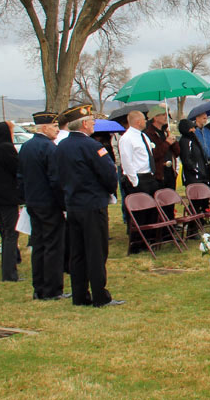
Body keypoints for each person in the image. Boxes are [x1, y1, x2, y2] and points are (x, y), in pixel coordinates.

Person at [55, 106, 122, 307]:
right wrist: (110, 190)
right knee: (96, 252)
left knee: (77, 252)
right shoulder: (92, 146)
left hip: (73, 204)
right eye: (92, 121)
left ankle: (80, 295)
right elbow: (108, 173)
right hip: (92, 204)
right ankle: (100, 296)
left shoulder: (61, 146)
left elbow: (58, 177)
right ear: (84, 124)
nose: (93, 124)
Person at [19, 111, 68, 300]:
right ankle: (52, 289)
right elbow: (56, 180)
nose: (57, 130)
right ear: (45, 127)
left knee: (38, 244)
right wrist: (63, 204)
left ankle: (38, 287)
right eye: (54, 126)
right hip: (49, 203)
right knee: (53, 246)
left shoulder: (26, 147)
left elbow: (20, 177)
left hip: (33, 202)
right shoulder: (49, 148)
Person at [0, 121, 23, 282]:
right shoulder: (6, 149)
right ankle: (9, 273)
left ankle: (9, 268)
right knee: (11, 234)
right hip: (7, 196)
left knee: (6, 232)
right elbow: (17, 168)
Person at [118, 111, 158, 253]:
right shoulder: (127, 138)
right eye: (144, 119)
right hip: (137, 178)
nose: (146, 121)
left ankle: (149, 239)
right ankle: (137, 243)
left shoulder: (143, 136)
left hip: (149, 176)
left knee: (151, 211)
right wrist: (134, 181)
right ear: (138, 121)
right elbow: (126, 161)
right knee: (139, 212)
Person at [177, 118, 210, 220]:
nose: (194, 130)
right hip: (193, 176)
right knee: (195, 201)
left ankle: (202, 219)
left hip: (202, 175)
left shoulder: (194, 140)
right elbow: (186, 159)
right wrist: (196, 170)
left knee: (203, 200)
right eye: (191, 128)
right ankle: (193, 223)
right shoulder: (185, 141)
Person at [143, 104, 180, 191]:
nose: (166, 117)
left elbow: (177, 152)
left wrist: (173, 142)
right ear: (155, 117)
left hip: (170, 172)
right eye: (163, 115)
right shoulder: (149, 134)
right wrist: (167, 143)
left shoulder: (166, 132)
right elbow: (154, 154)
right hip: (158, 174)